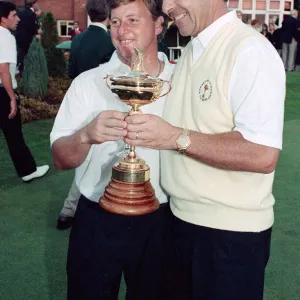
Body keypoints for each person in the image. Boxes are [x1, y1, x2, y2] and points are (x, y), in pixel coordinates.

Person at [125, 0, 286, 299]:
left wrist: (175, 138)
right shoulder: (191, 50)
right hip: (180, 224)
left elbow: (263, 154)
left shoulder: (249, 51)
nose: (167, 6)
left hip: (229, 237)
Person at [51, 0, 174, 299]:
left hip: (162, 218)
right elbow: (60, 159)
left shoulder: (180, 81)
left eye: (132, 19)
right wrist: (85, 136)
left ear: (158, 24)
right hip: (96, 216)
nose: (121, 30)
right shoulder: (88, 83)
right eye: (115, 22)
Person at [57, 0, 116, 230]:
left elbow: (71, 72)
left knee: (88, 159)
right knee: (97, 159)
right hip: (103, 106)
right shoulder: (110, 41)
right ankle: (73, 208)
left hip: (78, 104)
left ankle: (67, 210)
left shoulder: (78, 39)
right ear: (109, 16)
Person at [0, 1, 49, 182]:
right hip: (3, 93)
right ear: (3, 19)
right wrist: (12, 97)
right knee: (14, 136)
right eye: (14, 15)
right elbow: (3, 69)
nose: (18, 19)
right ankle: (28, 171)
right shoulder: (5, 37)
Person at [15, 0, 40, 76]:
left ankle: (19, 70)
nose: (37, 4)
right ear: (33, 4)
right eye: (36, 3)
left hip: (19, 37)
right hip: (27, 38)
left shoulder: (21, 12)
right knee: (24, 55)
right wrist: (37, 32)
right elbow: (32, 27)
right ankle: (19, 69)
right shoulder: (32, 14)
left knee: (21, 53)